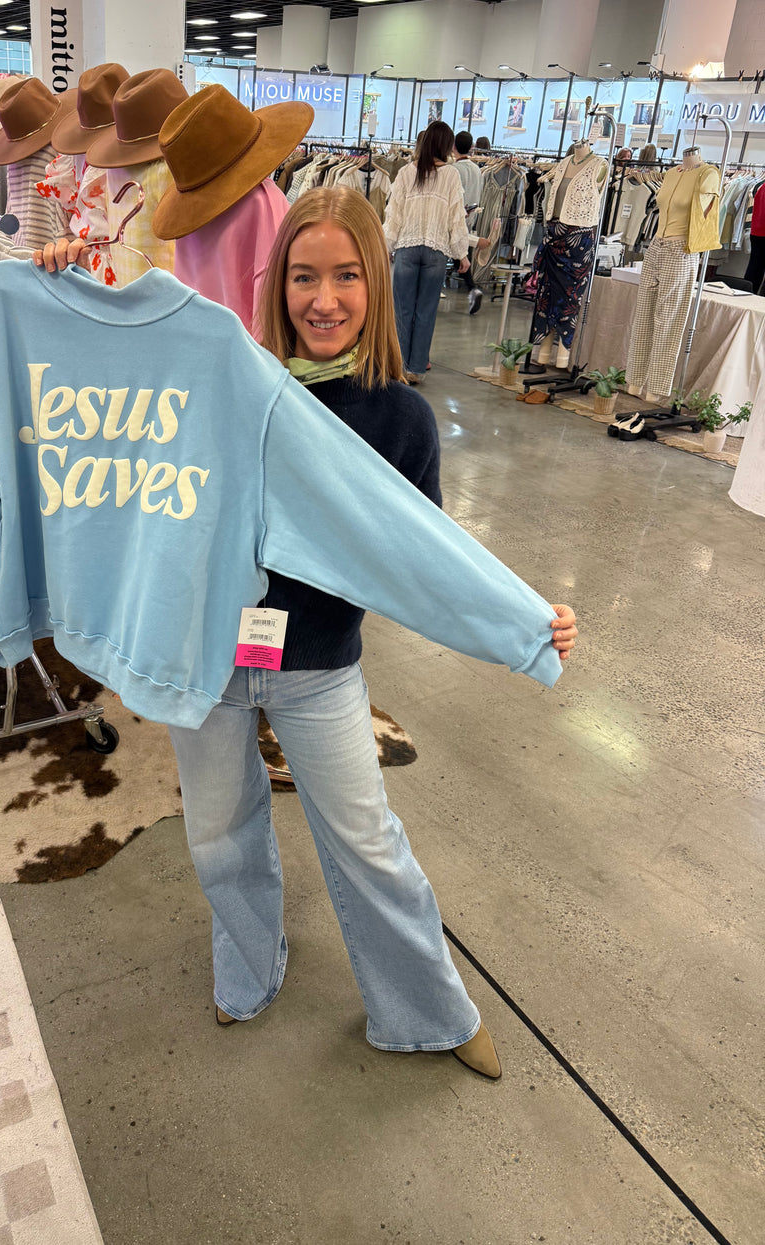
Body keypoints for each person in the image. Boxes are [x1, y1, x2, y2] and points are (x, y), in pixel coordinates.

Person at [166, 187, 578, 1080]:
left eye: (347, 276)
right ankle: (247, 961)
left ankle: (426, 1007)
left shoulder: (401, 418)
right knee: (217, 833)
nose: (323, 299)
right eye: (304, 276)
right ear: (276, 286)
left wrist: (525, 618)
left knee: (368, 844)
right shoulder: (233, 385)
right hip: (203, 659)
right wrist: (54, 287)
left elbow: (425, 560)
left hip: (317, 669)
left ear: (376, 285)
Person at [383, 121, 470, 383]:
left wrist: (387, 244)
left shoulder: (407, 172)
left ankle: (398, 367)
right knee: (426, 312)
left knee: (402, 310)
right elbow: (457, 217)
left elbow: (393, 213)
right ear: (445, 145)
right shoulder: (451, 175)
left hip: (407, 249)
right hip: (436, 252)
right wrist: (461, 253)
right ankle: (416, 369)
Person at [451, 131, 485, 316]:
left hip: (459, 217)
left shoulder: (455, 170)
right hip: (471, 217)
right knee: (461, 257)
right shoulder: (477, 169)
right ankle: (472, 289)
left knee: (456, 256)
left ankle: (472, 288)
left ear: (453, 147)